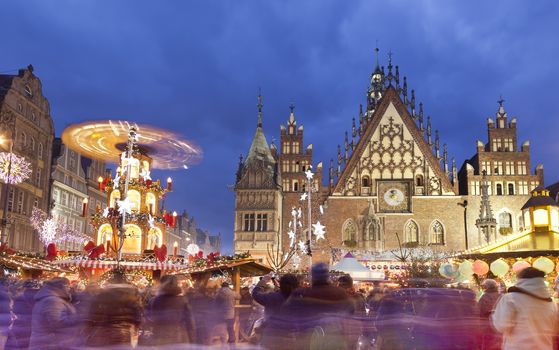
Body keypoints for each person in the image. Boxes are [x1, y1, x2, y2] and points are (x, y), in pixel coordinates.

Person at [282, 263, 353, 350]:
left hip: (308, 338)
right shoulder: (340, 293)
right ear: (327, 276)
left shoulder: (303, 293)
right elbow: (351, 311)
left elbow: (286, 310)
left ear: (313, 277)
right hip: (334, 337)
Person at [492, 267, 558, 350]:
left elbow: (501, 325)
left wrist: (493, 315)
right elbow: (554, 329)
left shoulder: (511, 298)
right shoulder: (551, 304)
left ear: (521, 279)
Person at [84, 269, 143, 347]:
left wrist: (91, 326)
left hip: (106, 330)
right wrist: (137, 326)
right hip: (124, 331)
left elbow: (94, 313)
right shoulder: (131, 295)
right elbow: (137, 313)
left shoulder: (103, 294)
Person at [28, 278, 77, 350]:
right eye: (68, 286)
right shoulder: (53, 301)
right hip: (49, 344)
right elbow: (57, 323)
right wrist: (77, 319)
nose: (69, 289)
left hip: (48, 342)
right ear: (61, 287)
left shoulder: (51, 298)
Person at [147, 275, 195, 345]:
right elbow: (189, 322)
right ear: (176, 284)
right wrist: (192, 339)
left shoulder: (154, 300)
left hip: (159, 337)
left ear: (160, 284)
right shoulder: (182, 300)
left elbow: (149, 318)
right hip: (178, 337)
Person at [7, 280, 40, 349]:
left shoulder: (19, 297)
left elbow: (15, 310)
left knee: (22, 344)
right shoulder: (39, 298)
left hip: (21, 324)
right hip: (34, 325)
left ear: (24, 287)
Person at [478, 279, 501, 350]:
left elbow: (480, 312)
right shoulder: (502, 296)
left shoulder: (484, 297)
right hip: (500, 325)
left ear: (486, 287)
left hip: (488, 326)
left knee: (488, 345)